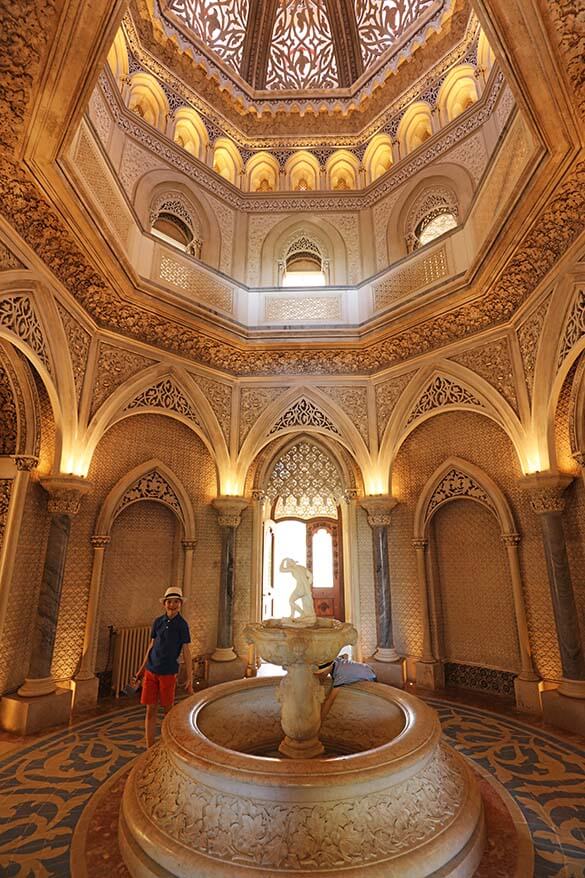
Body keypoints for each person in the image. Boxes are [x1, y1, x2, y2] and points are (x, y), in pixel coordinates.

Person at [133, 586, 193, 747]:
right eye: (169, 602)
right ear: (164, 604)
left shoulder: (182, 625)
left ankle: (169, 745)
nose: (172, 605)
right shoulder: (158, 622)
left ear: (180, 604)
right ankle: (149, 746)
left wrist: (190, 676)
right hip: (151, 671)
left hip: (168, 672)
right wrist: (141, 669)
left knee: (168, 711)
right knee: (150, 710)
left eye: (176, 602)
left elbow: (186, 651)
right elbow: (151, 646)